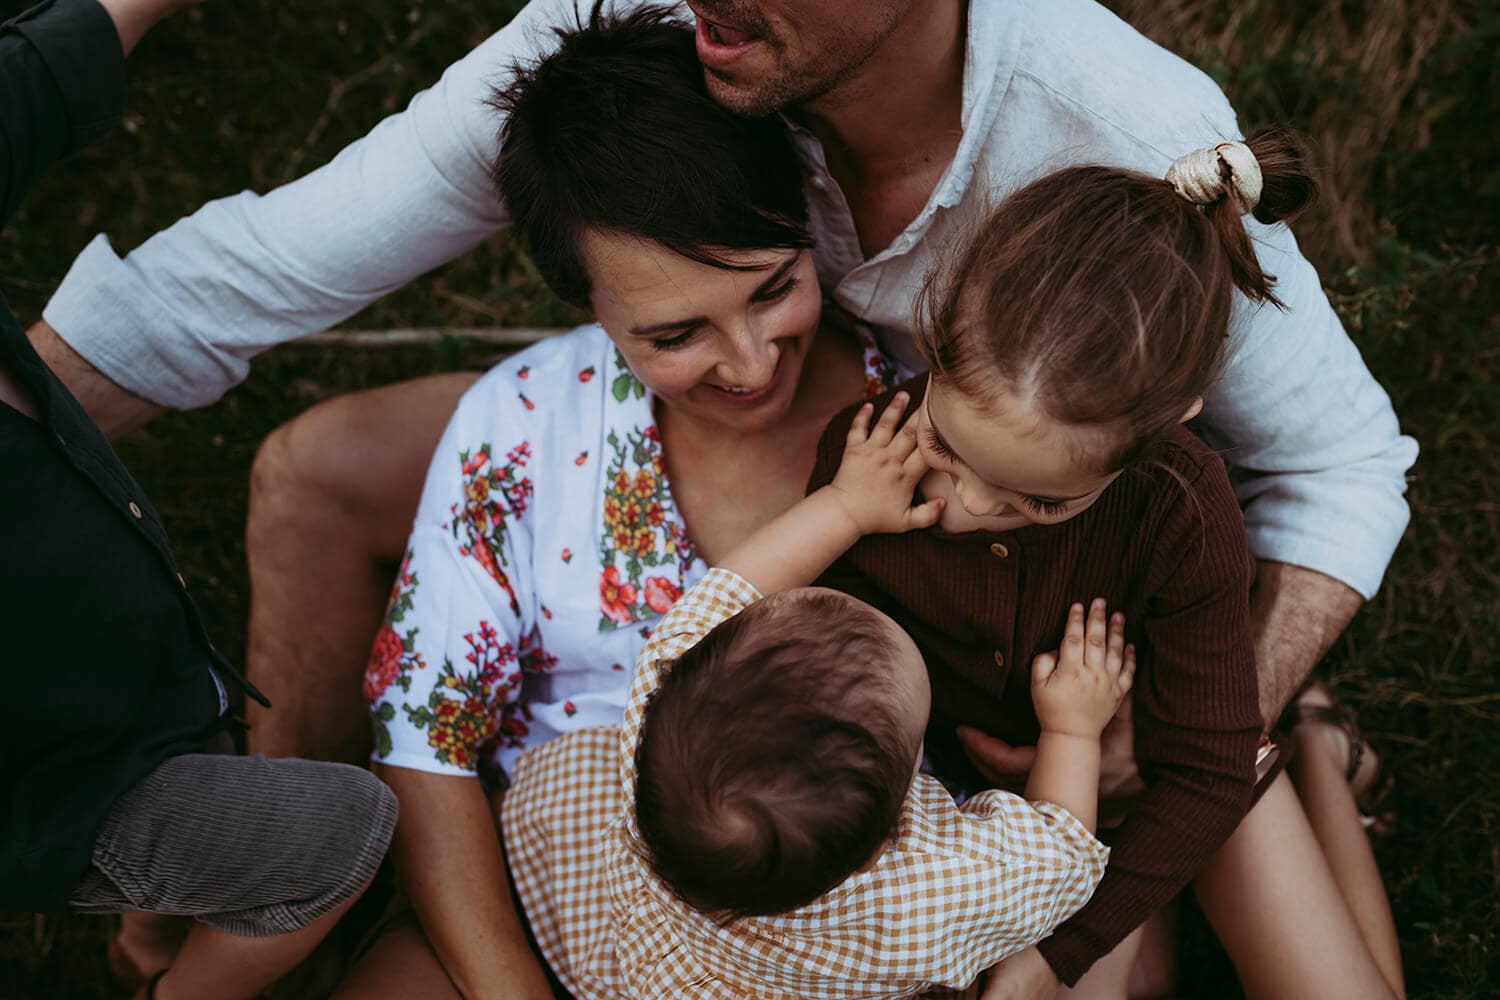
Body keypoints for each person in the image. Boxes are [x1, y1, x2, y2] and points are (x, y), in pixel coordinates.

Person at [27, 1, 1415, 793]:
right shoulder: (653, 33)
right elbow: (281, 259)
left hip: (950, 510)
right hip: (678, 428)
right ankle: (292, 843)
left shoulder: (1125, 133)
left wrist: (1185, 728)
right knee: (315, 471)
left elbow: (1345, 466)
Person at [332, 11, 904, 997]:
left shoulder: (915, 407)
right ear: (588, 305)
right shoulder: (518, 424)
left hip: (851, 927)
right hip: (555, 898)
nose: (751, 362)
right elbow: (428, 735)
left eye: (774, 289)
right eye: (676, 333)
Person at [804, 133, 1404, 998]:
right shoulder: (866, 459)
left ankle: (1311, 743)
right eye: (949, 448)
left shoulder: (1180, 508)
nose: (970, 507)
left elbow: (1205, 773)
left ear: (1164, 430)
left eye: (1042, 503)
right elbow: (831, 664)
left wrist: (1057, 953)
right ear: (933, 339)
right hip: (1022, 811)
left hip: (1172, 762)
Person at [0, 4, 398, 999]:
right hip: (66, 787)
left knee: (209, 759)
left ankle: (151, 932)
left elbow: (34, 81)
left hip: (139, 670)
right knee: (338, 834)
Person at [502, 395, 1132, 998]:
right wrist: (1072, 729)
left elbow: (739, 582)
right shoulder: (918, 900)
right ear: (898, 818)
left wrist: (848, 507)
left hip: (658, 959)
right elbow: (1058, 854)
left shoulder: (662, 691)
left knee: (573, 786)